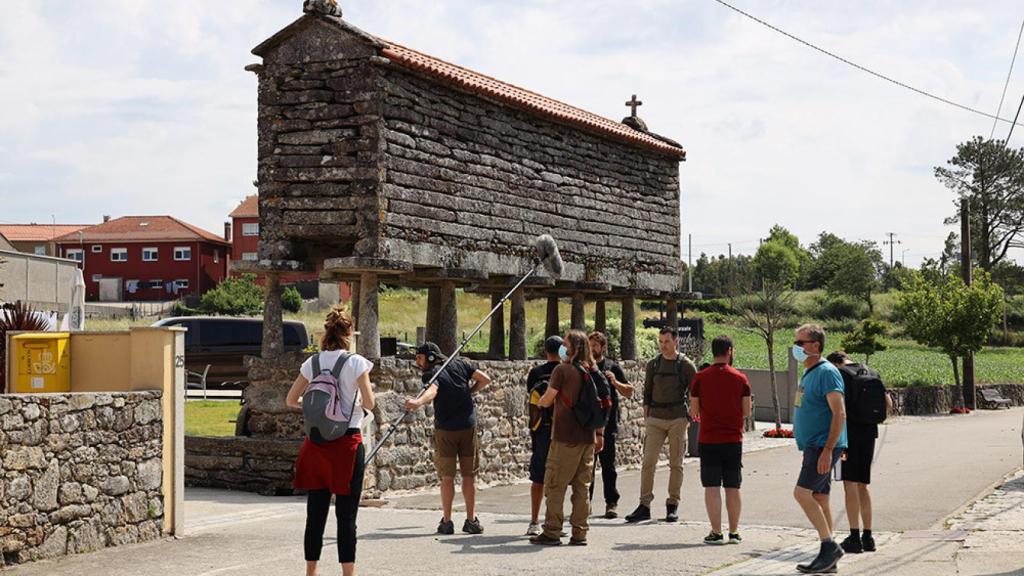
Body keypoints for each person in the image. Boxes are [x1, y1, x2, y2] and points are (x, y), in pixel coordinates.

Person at [286, 305, 375, 576]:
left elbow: (290, 400)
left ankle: (311, 571)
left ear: (326, 332)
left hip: (316, 444)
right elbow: (369, 402)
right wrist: (357, 402)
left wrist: (316, 408)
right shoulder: (356, 362)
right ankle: (348, 573)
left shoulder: (311, 363)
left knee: (315, 513)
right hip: (347, 443)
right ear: (349, 333)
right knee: (346, 515)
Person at [404, 342, 492, 535]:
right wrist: (470, 392)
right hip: (468, 426)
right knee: (469, 475)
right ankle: (471, 520)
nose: (417, 363)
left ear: (430, 357)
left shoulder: (431, 373)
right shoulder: (461, 364)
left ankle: (447, 521)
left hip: (446, 430)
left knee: (447, 477)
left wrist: (418, 402)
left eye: (419, 358)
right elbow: (485, 379)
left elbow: (432, 391)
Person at [530, 330, 606, 546]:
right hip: (587, 437)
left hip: (565, 437)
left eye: (565, 343)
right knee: (582, 488)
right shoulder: (592, 370)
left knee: (555, 485)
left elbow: (547, 399)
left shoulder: (562, 370)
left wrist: (539, 403)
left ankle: (552, 531)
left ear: (572, 348)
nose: (562, 347)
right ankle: (580, 533)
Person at [791, 324, 848, 574]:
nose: (797, 347)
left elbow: (839, 413)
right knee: (820, 497)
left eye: (800, 343)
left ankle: (829, 546)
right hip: (813, 446)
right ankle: (829, 559)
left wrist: (828, 450)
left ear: (815, 346)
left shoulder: (826, 372)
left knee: (802, 494)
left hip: (821, 447)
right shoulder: (810, 372)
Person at [626, 327, 697, 523]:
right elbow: (647, 390)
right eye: (660, 342)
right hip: (655, 419)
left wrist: (692, 413)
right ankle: (644, 505)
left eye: (666, 341)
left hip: (677, 419)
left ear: (676, 342)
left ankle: (672, 504)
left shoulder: (686, 365)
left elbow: (696, 391)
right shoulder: (653, 364)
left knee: (676, 464)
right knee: (648, 462)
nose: (663, 345)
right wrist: (647, 414)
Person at [827, 351, 892, 554]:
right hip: (870, 433)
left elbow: (837, 409)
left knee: (849, 485)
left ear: (836, 363)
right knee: (864, 485)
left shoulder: (841, 374)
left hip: (849, 435)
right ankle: (868, 536)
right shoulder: (872, 372)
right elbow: (888, 404)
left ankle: (854, 536)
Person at [690, 335, 752, 545]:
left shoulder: (700, 378)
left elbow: (694, 410)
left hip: (708, 439)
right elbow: (746, 411)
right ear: (730, 351)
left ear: (713, 352)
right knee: (733, 487)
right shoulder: (741, 378)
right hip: (733, 439)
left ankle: (716, 532)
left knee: (712, 487)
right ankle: (734, 532)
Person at [588, 331, 634, 519]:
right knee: (587, 467)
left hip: (608, 424)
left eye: (595, 346)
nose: (592, 349)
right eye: (589, 345)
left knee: (608, 466)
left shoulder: (611, 367)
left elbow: (629, 391)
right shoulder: (585, 367)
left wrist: (615, 382)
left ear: (603, 347)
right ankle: (585, 504)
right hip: (588, 423)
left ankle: (611, 503)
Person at [525, 335, 564, 536]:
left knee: (538, 477)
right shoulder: (567, 371)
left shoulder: (535, 373)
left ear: (545, 352)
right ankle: (556, 520)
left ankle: (534, 521)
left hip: (540, 431)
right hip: (562, 431)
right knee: (560, 477)